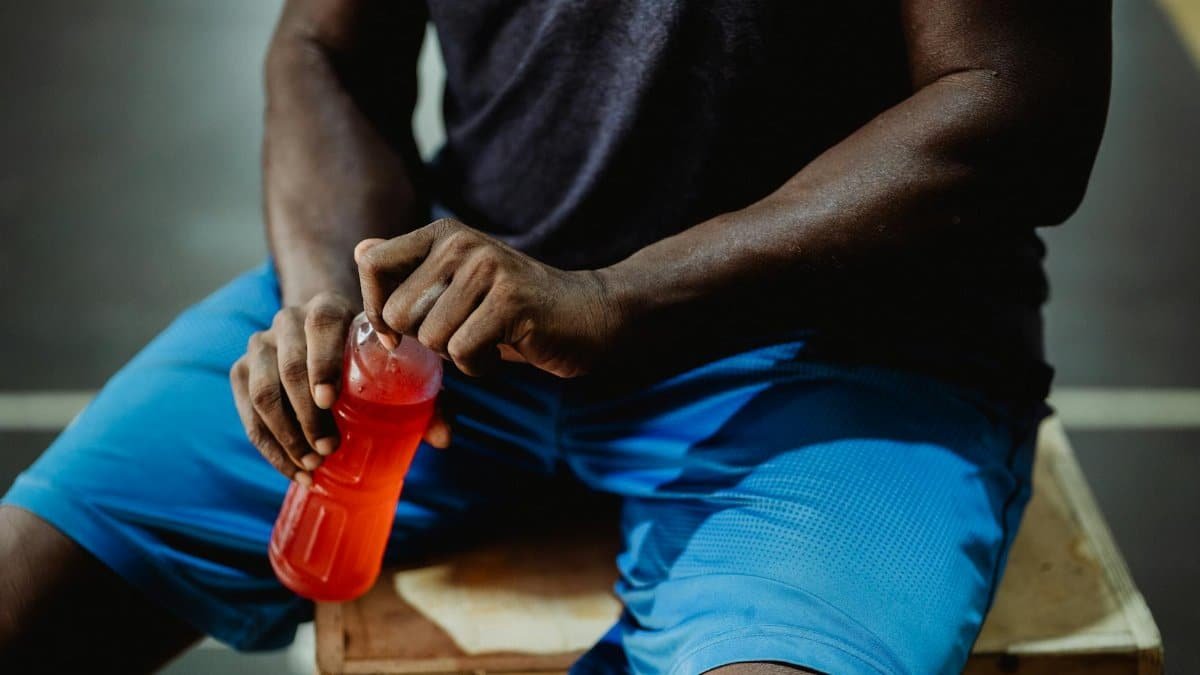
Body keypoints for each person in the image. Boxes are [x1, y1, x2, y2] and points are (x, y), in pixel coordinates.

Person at [0, 1, 1111, 673]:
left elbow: (1016, 109)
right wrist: (336, 302)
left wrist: (623, 297)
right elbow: (324, 48)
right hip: (464, 308)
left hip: (838, 348)